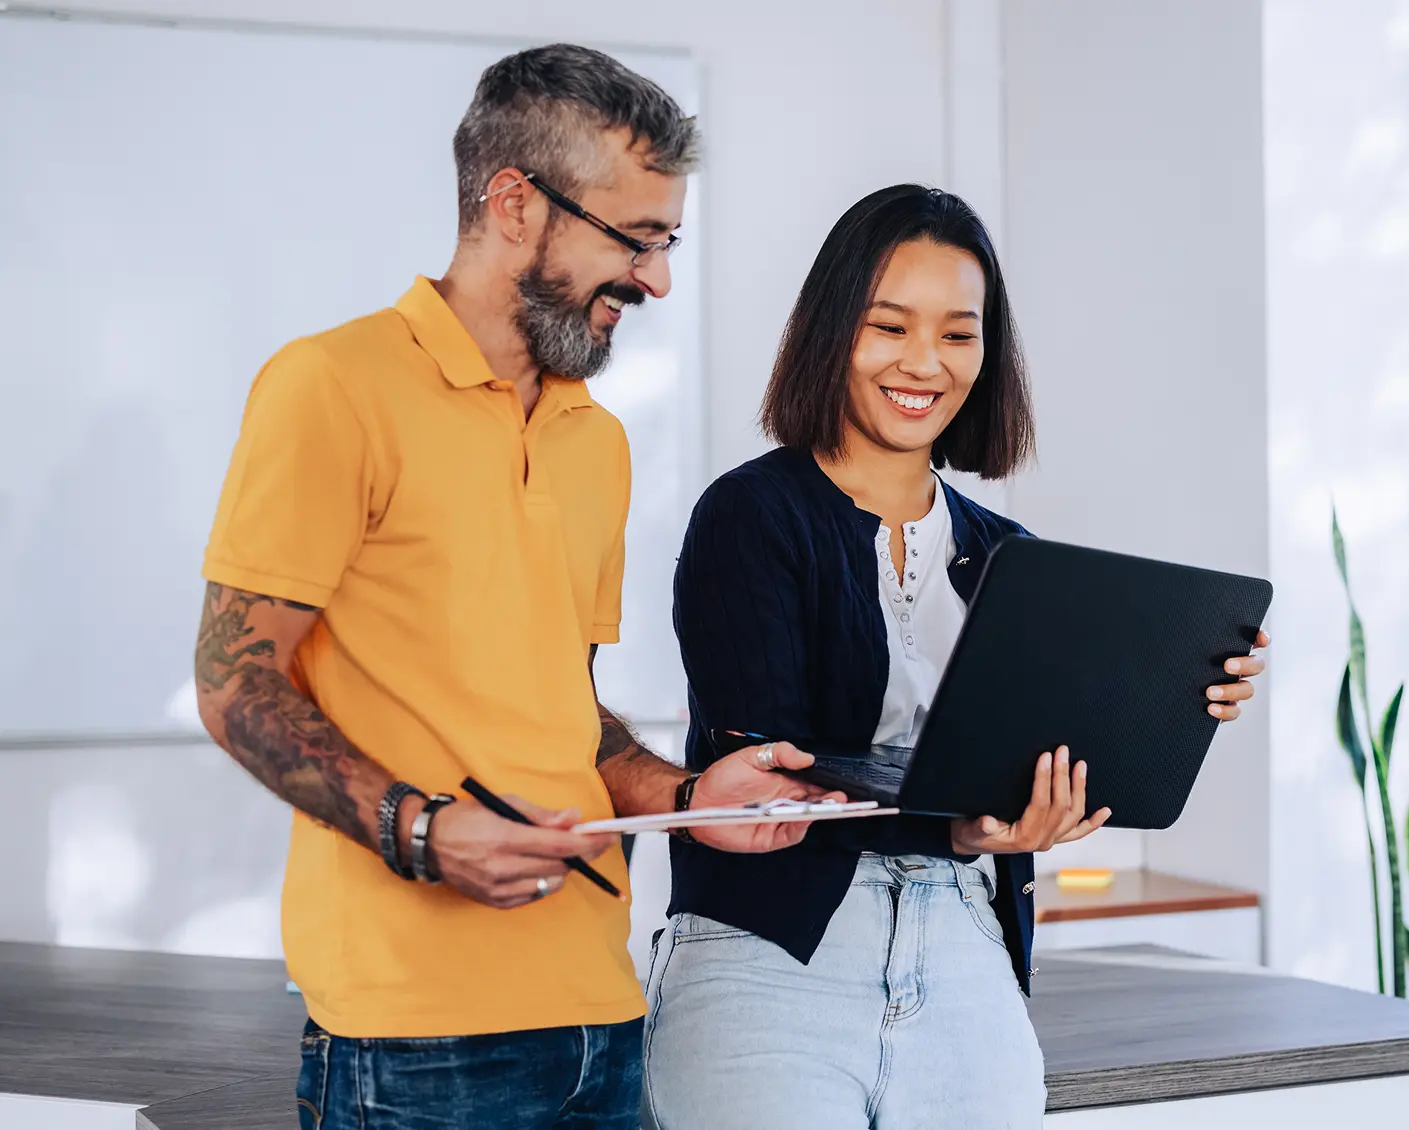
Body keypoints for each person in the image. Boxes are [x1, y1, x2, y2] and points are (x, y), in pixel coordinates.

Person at [194, 44, 835, 1130]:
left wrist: (689, 799)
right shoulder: (331, 386)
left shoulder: (597, 438)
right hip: (414, 1037)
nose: (656, 277)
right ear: (512, 203)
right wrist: (421, 832)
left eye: (665, 238)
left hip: (600, 1010)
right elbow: (233, 684)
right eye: (632, 238)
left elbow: (563, 710)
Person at [643, 185, 1270, 1129]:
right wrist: (966, 825)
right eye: (888, 326)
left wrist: (1171, 698)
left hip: (968, 942)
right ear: (830, 332)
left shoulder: (1008, 554)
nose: (925, 364)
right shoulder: (750, 515)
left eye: (959, 335)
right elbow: (771, 775)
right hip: (773, 953)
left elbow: (1034, 748)